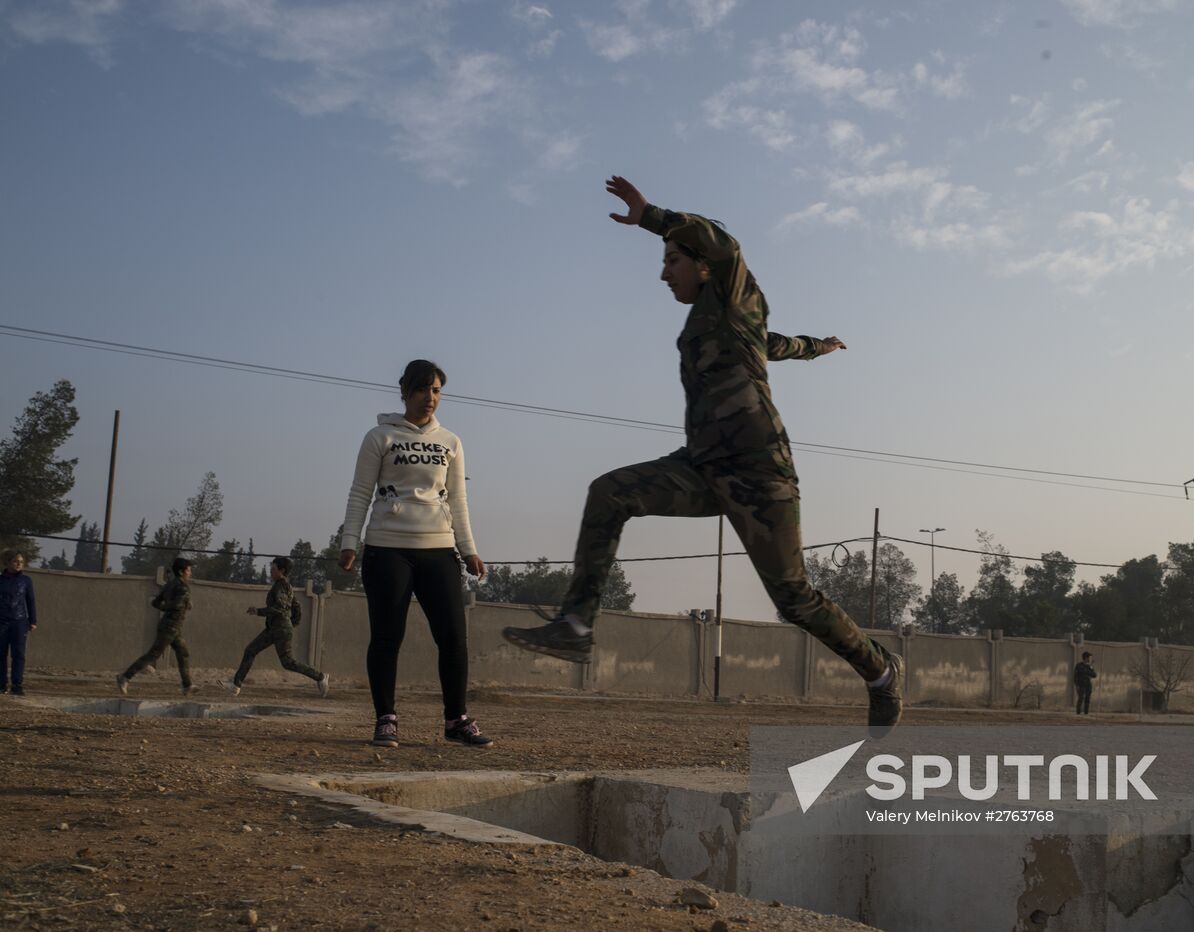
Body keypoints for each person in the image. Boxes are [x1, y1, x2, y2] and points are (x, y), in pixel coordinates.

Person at [502, 176, 903, 730]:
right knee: (609, 491)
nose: (663, 272)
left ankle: (881, 670)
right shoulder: (721, 324)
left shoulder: (734, 292)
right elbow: (780, 345)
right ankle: (575, 625)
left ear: (704, 267)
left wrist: (650, 215)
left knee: (793, 599)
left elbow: (727, 247)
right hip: (701, 466)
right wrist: (820, 347)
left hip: (760, 471)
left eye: (673, 261)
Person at [338, 359, 492, 749]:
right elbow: (360, 493)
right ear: (405, 391)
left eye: (438, 390)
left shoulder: (451, 442)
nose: (431, 398)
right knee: (388, 637)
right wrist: (349, 542)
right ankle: (386, 719)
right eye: (423, 389)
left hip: (438, 550)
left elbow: (458, 500)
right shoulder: (379, 437)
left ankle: (456, 720)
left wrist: (468, 549)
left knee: (454, 638)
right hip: (387, 549)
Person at [221, 556, 329, 698]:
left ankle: (320, 677)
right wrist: (292, 623)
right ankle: (236, 685)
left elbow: (279, 607)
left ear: (281, 570)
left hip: (279, 629)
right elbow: (296, 606)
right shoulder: (285, 586)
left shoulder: (281, 586)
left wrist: (258, 611)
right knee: (252, 651)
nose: (271, 571)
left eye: (273, 568)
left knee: (286, 662)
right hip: (276, 629)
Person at [118, 557, 197, 695]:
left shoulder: (169, 585)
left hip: (172, 626)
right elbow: (177, 605)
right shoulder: (182, 587)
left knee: (183, 653)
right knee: (153, 655)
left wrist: (168, 606)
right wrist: (185, 604)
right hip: (171, 626)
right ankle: (125, 677)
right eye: (188, 570)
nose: (190, 573)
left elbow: (155, 603)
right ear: (181, 571)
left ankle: (187, 685)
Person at [0, 550, 37, 696]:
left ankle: (17, 684)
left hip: (19, 621)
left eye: (21, 562)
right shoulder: (1, 580)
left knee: (19, 654)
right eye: (15, 561)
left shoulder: (26, 580)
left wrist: (33, 620)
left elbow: (30, 600)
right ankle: (2, 684)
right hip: (1, 621)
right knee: (1, 654)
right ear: (8, 562)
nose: (18, 564)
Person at [1074, 651, 1096, 715]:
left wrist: (1091, 667)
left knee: (1087, 698)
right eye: (1090, 657)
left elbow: (1094, 675)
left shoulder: (1089, 666)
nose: (1090, 659)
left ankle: (1086, 712)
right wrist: (1076, 685)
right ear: (1086, 658)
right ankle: (1078, 712)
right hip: (1081, 685)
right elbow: (1075, 676)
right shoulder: (1079, 665)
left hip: (1088, 685)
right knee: (1081, 698)